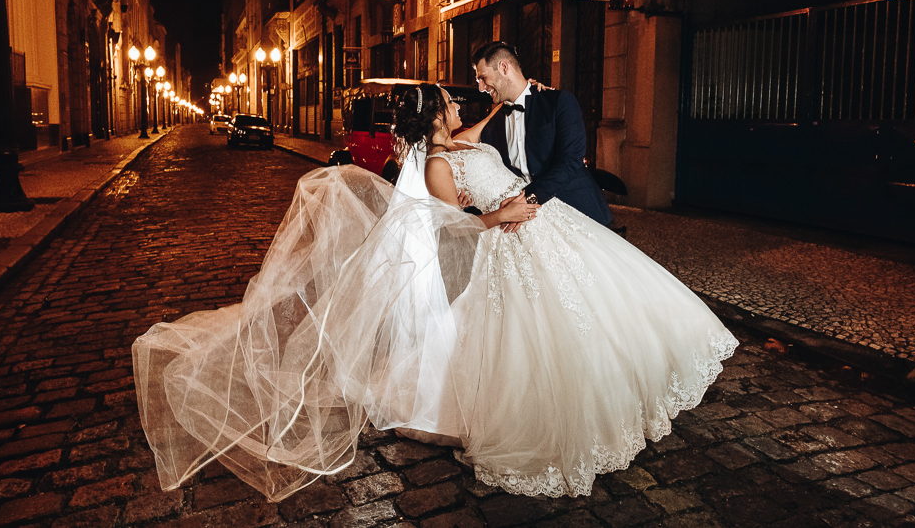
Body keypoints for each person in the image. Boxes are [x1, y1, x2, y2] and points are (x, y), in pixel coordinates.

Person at [133, 84, 737, 503]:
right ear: (435, 116)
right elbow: (458, 222)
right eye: (450, 102)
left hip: (522, 234)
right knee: (461, 335)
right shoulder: (436, 165)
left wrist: (502, 107)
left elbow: (476, 132)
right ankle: (431, 403)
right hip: (485, 240)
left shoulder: (450, 144)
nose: (458, 104)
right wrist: (501, 215)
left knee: (469, 328)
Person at [473, 41, 612, 226]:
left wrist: (529, 200)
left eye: (483, 78)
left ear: (504, 67)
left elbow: (570, 162)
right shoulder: (493, 122)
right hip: (532, 222)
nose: (481, 88)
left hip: (576, 213)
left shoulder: (558, 102)